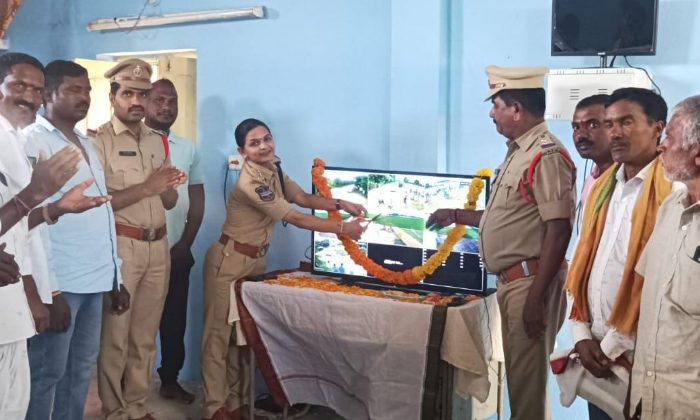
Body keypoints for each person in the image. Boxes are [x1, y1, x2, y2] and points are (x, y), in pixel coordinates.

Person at [427, 66, 576, 420]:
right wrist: (456, 215)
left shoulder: (546, 155)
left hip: (530, 283)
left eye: (496, 105)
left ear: (517, 109)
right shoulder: (518, 152)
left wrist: (536, 298)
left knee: (526, 388)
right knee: (521, 383)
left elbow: (559, 229)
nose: (492, 113)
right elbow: (509, 217)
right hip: (516, 282)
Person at [201, 118, 367, 420]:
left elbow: (301, 197)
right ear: (243, 150)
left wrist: (341, 203)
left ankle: (237, 402)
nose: (264, 146)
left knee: (243, 335)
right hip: (228, 260)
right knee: (218, 336)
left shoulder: (273, 167)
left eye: (267, 138)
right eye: (254, 143)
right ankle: (215, 407)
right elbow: (295, 216)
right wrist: (343, 228)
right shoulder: (250, 182)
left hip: (255, 261)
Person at [0, 52, 104, 420]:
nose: (30, 96)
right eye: (19, 86)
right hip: (33, 285)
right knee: (37, 381)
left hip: (32, 288)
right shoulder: (27, 139)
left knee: (30, 389)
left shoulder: (15, 139)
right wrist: (45, 290)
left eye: (36, 89)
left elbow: (21, 224)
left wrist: (56, 208)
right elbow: (19, 213)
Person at [23, 60, 124, 420]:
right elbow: (29, 222)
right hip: (60, 282)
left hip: (95, 278)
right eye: (73, 90)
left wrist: (117, 277)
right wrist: (51, 290)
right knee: (46, 373)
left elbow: (102, 213)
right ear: (48, 95)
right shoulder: (32, 140)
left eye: (87, 91)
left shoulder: (86, 142)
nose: (84, 97)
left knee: (81, 369)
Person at [564, 88, 671, 420]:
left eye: (627, 122)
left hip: (642, 352)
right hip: (593, 345)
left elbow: (659, 280)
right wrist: (580, 334)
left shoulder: (673, 192)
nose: (616, 132)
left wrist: (611, 346)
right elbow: (582, 264)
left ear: (657, 128)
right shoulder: (602, 186)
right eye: (609, 124)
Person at [92, 58, 186, 420]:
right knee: (116, 336)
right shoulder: (99, 142)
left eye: (142, 94)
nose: (136, 100)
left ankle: (136, 406)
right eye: (128, 93)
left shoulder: (158, 141)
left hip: (157, 246)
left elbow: (169, 199)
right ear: (113, 96)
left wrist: (167, 186)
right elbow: (98, 204)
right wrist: (147, 186)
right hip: (122, 247)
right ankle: (114, 410)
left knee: (145, 337)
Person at [627, 95, 700, 420]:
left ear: (697, 155)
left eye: (669, 137)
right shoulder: (670, 208)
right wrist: (635, 392)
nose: (661, 146)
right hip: (648, 399)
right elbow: (652, 302)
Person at [145, 79, 205, 405]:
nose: (166, 107)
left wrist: (186, 244)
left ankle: (169, 378)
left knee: (173, 321)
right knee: (136, 323)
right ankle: (129, 388)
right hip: (140, 249)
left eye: (172, 101)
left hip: (176, 251)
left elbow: (197, 198)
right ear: (145, 102)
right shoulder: (134, 142)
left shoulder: (187, 147)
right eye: (159, 100)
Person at [572, 94, 614, 211]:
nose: (580, 135)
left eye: (592, 125)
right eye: (576, 128)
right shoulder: (591, 180)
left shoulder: (628, 181)